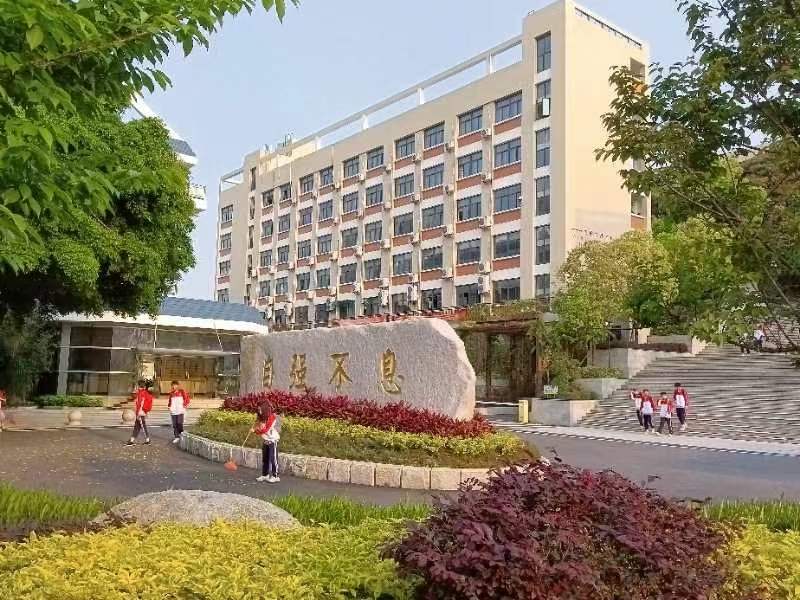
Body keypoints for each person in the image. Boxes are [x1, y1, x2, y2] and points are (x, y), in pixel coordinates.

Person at [253, 404, 281, 483]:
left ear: (265, 410)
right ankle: (265, 475)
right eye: (258, 410)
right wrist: (256, 426)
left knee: (273, 459)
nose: (259, 411)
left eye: (260, 410)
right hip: (265, 440)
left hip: (273, 441)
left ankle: (275, 476)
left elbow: (266, 429)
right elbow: (261, 427)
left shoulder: (272, 418)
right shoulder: (262, 418)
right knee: (265, 459)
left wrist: (255, 431)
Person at [127, 380, 153, 446]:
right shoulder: (143, 393)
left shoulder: (141, 393)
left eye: (137, 385)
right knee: (137, 427)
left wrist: (138, 413)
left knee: (142, 426)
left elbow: (140, 404)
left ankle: (147, 440)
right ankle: (132, 440)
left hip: (140, 413)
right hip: (142, 412)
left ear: (139, 386)